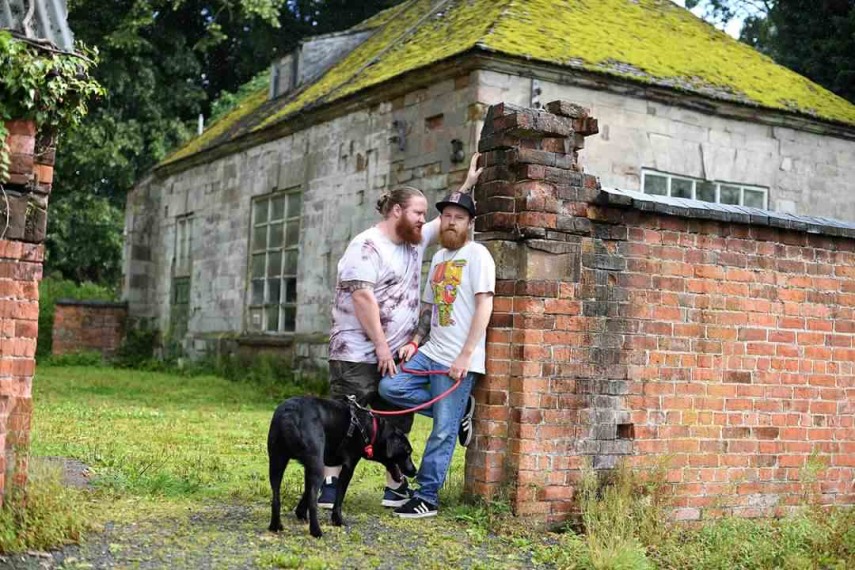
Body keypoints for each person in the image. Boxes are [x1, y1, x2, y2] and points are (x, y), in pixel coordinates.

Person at [320, 154, 483, 509]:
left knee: (393, 422)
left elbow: (448, 220)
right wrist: (381, 347)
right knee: (345, 419)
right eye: (418, 213)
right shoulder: (366, 246)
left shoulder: (414, 239)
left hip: (396, 354)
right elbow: (363, 299)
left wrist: (467, 184)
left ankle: (395, 486)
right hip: (357, 354)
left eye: (425, 215)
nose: (425, 221)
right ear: (396, 211)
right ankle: (328, 486)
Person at [378, 191, 495, 518]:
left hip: (456, 360)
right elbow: (429, 309)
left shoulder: (478, 255)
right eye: (446, 216)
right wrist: (415, 341)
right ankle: (458, 409)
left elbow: (485, 306)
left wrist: (465, 355)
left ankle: (427, 497)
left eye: (459, 217)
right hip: (430, 352)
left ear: (470, 223)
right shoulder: (440, 258)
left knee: (442, 431)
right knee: (390, 388)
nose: (451, 221)